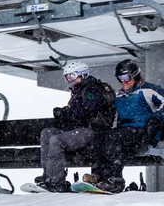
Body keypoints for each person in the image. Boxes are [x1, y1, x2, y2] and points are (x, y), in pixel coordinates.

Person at [34, 61, 115, 193]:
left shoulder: (92, 89)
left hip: (91, 131)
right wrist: (64, 115)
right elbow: (76, 115)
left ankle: (56, 181)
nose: (69, 80)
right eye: (67, 77)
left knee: (56, 140)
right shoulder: (77, 91)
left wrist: (66, 113)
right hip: (77, 130)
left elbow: (86, 112)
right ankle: (48, 176)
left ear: (81, 74)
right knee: (47, 133)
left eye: (71, 76)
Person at [85, 59, 164, 193]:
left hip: (145, 132)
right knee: (101, 137)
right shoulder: (119, 96)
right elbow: (115, 119)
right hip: (126, 136)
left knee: (115, 136)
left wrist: (156, 120)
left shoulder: (148, 90)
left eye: (126, 77)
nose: (124, 81)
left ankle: (116, 180)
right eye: (120, 78)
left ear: (135, 75)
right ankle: (99, 175)